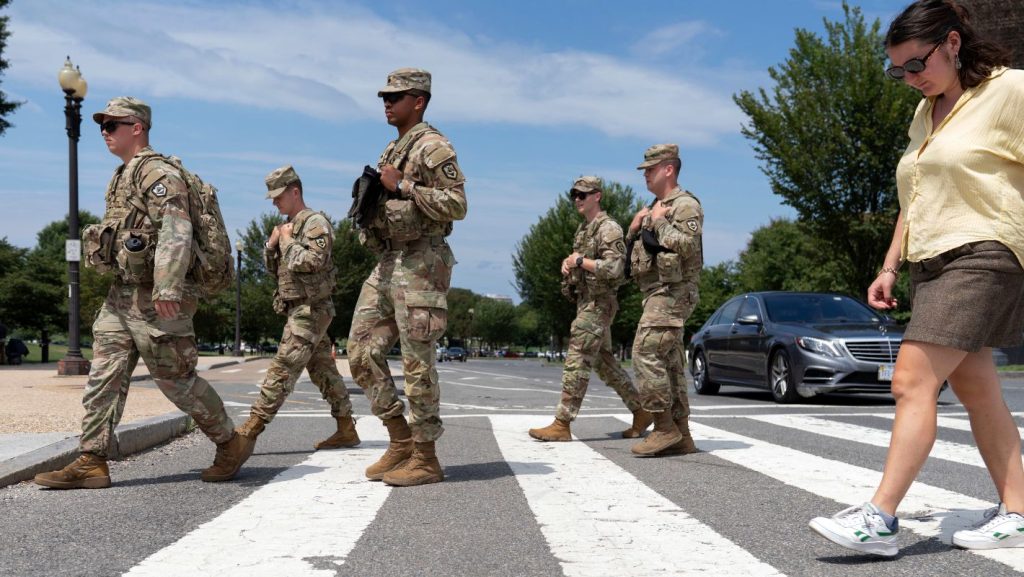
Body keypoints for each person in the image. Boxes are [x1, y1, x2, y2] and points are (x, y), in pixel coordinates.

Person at [809, 0, 1024, 556]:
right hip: (930, 262)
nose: (908, 78)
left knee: (910, 381)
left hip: (982, 252)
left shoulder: (1009, 91)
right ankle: (1019, 512)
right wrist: (890, 265)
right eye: (897, 70)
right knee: (977, 389)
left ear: (953, 43)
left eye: (915, 64)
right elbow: (914, 197)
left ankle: (880, 518)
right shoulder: (925, 112)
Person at [34, 97, 245, 489]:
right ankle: (92, 459)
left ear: (137, 128)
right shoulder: (122, 175)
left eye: (112, 125)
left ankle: (230, 443)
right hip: (123, 293)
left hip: (156, 295)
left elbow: (176, 228)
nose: (104, 132)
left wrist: (168, 286)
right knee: (104, 375)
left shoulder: (157, 172)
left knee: (175, 379)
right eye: (102, 125)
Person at [347, 68, 467, 487]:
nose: (387, 103)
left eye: (395, 97)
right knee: (360, 351)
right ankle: (400, 439)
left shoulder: (434, 146)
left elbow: (457, 204)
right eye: (384, 96)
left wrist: (406, 188)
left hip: (421, 262)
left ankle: (426, 457)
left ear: (418, 101)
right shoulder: (392, 148)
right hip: (388, 260)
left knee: (417, 363)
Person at [232, 166, 360, 467]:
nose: (275, 202)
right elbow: (275, 270)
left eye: (279, 196)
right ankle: (346, 427)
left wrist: (287, 241)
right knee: (323, 371)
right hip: (297, 308)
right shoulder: (286, 227)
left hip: (311, 309)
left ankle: (249, 432)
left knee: (283, 367)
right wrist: (271, 245)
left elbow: (312, 261)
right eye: (272, 198)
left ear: (295, 192)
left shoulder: (316, 223)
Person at [528, 176, 651, 442]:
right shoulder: (584, 229)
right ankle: (641, 411)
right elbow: (582, 262)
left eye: (583, 195)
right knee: (604, 364)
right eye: (574, 195)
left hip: (599, 304)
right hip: (586, 302)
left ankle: (562, 423)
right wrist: (569, 263)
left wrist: (580, 261)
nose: (577, 199)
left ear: (597, 196)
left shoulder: (609, 228)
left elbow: (616, 269)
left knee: (577, 358)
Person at [624, 144, 702, 457]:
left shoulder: (684, 205)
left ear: (669, 169)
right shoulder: (654, 206)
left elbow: (687, 245)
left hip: (675, 291)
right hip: (656, 293)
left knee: (644, 352)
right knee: (670, 364)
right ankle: (682, 435)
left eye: (651, 169)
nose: (645, 174)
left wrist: (658, 222)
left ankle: (664, 427)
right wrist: (633, 231)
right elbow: (637, 258)